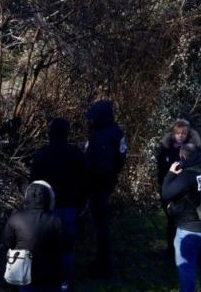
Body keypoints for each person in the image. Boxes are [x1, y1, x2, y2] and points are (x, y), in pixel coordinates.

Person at [31, 118, 87, 290]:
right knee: (67, 247)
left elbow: (33, 183)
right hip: (70, 207)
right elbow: (85, 181)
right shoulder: (76, 153)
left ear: (50, 133)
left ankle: (48, 280)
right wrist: (82, 202)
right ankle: (65, 281)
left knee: (46, 246)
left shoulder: (41, 154)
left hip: (47, 209)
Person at [160, 143, 201, 292]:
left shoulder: (186, 175)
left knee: (187, 268)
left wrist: (170, 173)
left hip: (189, 229)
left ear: (183, 156)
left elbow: (165, 193)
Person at [84, 99, 127, 277]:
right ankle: (102, 260)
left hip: (98, 184)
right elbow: (122, 156)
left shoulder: (100, 134)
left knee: (99, 223)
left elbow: (89, 159)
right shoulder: (116, 132)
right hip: (106, 182)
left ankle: (103, 263)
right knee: (100, 222)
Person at [3, 181, 63, 292]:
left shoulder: (15, 217)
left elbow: (8, 241)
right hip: (49, 271)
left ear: (27, 198)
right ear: (48, 199)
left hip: (23, 270)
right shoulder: (56, 219)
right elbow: (63, 244)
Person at [157, 119, 201, 258]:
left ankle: (188, 251)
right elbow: (160, 168)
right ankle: (171, 250)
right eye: (178, 133)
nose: (181, 135)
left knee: (189, 221)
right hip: (171, 187)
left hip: (187, 189)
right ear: (173, 134)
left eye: (183, 133)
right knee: (171, 221)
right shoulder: (166, 149)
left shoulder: (193, 150)